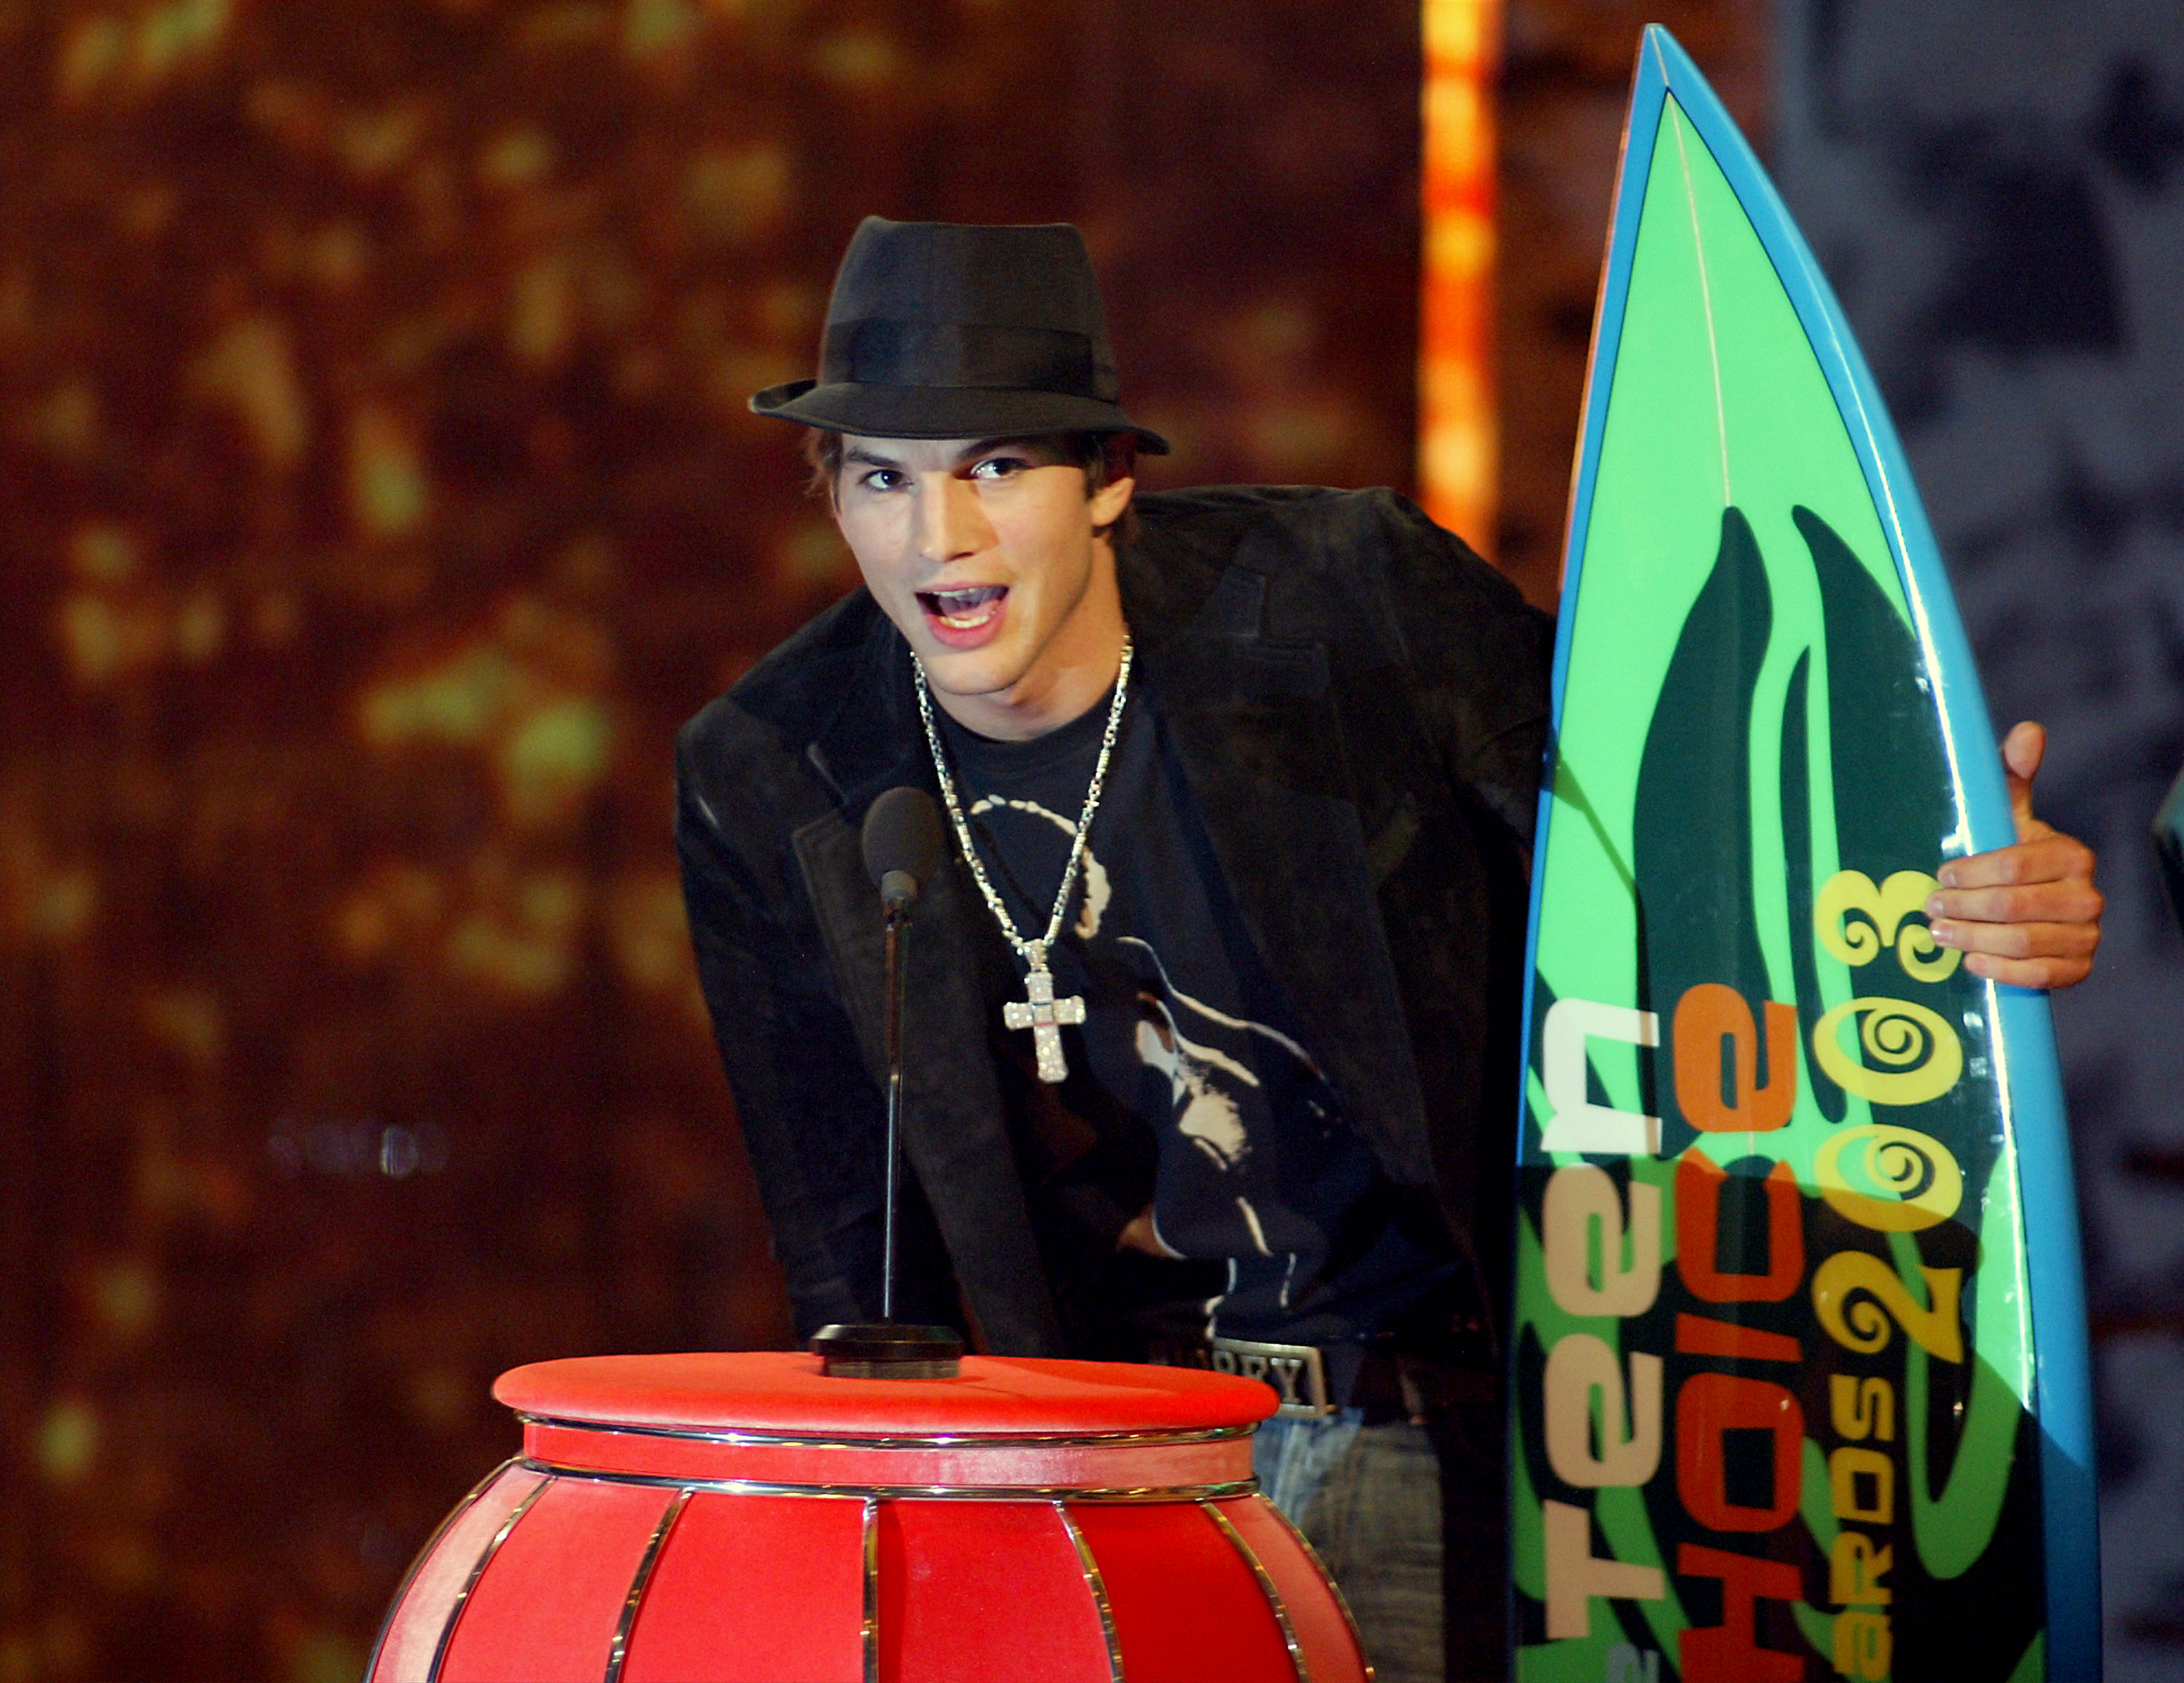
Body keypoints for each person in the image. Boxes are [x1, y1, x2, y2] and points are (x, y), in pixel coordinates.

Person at [674, 218, 2104, 1682]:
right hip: (1106, 1469)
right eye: (883, 479)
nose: (939, 537)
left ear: (1107, 482)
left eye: (994, 468)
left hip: (1427, 1418)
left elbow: (1680, 856)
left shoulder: (1351, 603)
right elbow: (852, 1260)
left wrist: (1940, 901)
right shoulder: (776, 768)